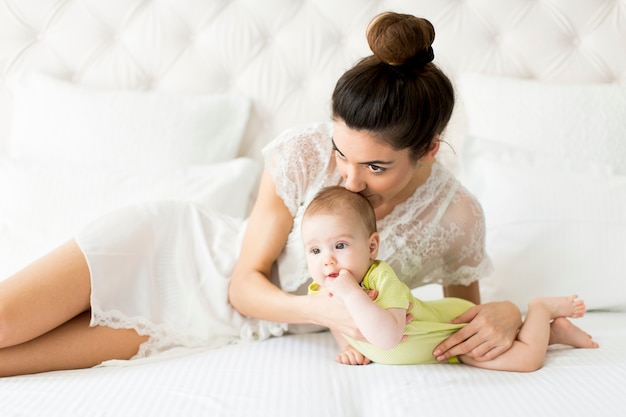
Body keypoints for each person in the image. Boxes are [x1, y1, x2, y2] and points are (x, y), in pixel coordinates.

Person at [0, 11, 521, 377]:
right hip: (181, 252)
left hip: (217, 325)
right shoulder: (300, 154)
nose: (350, 179)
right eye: (341, 151)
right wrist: (328, 314)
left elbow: (457, 328)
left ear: (428, 150)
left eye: (377, 166)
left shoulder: (455, 216)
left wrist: (509, 314)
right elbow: (243, 283)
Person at [302, 186, 599, 370]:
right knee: (507, 352)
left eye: (340, 246)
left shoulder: (381, 279)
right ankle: (554, 333)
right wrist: (349, 347)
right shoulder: (324, 288)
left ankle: (540, 309)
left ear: (371, 247)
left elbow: (388, 338)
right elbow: (337, 320)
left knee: (525, 361)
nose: (326, 259)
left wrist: (353, 294)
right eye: (315, 250)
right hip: (442, 350)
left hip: (456, 330)